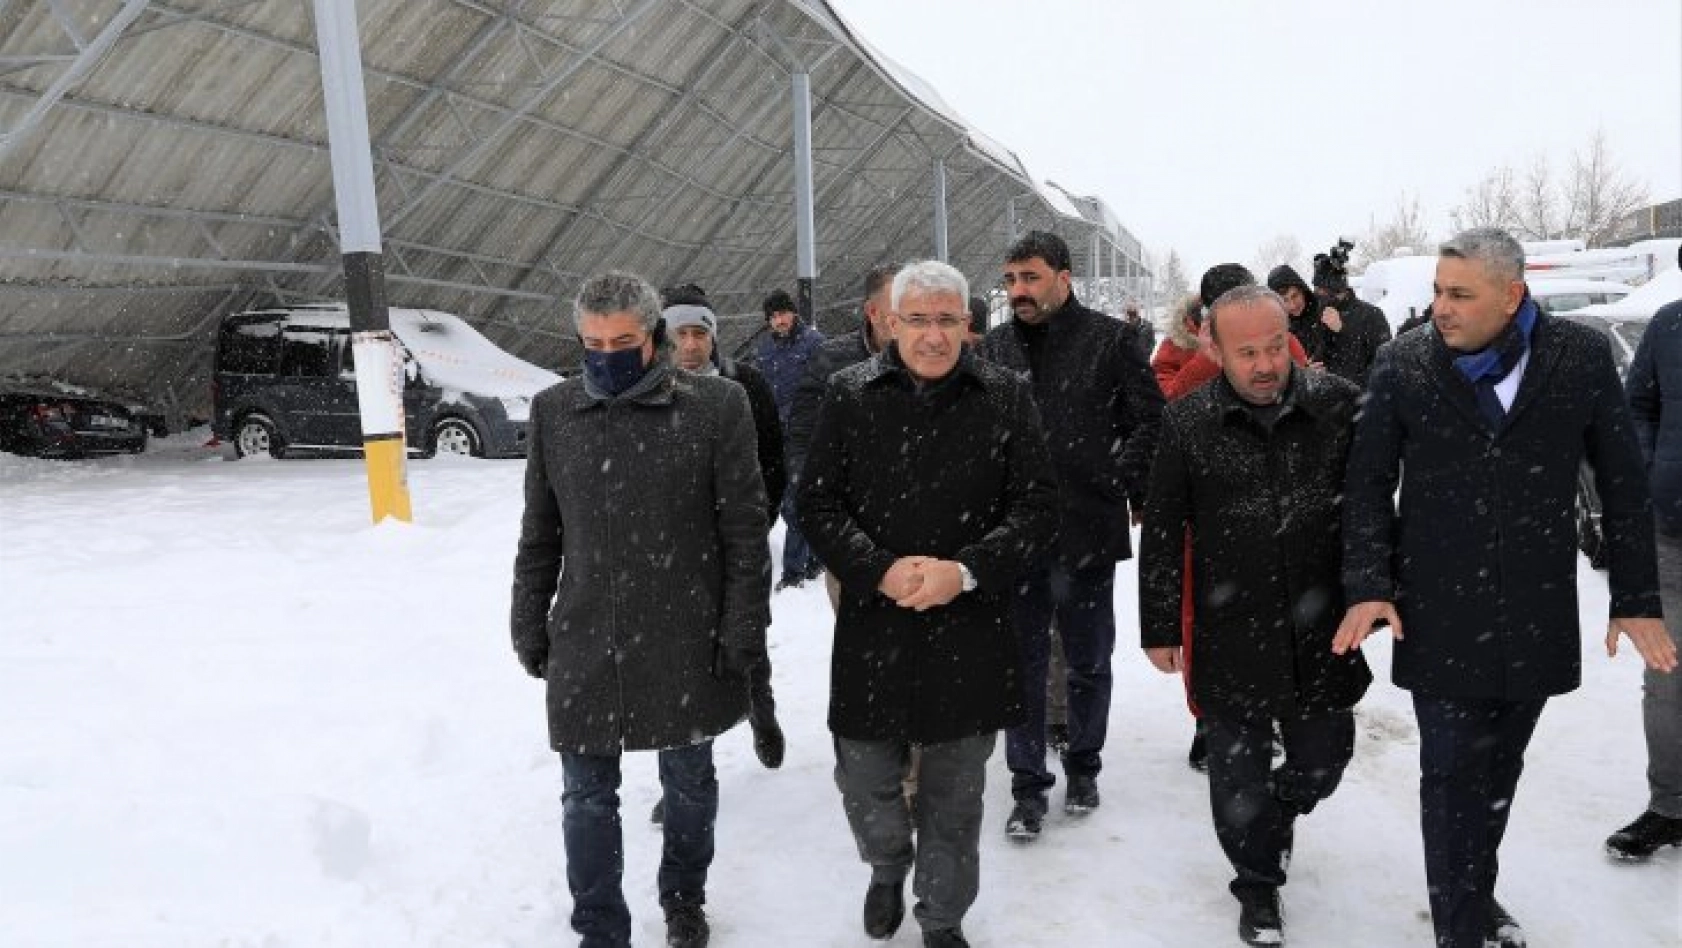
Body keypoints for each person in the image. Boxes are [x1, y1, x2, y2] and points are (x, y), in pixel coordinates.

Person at [1335, 228, 1676, 948]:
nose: (1442, 307)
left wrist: (1637, 598)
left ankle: (1473, 892)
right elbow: (1365, 485)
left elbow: (1620, 483)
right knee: (1451, 777)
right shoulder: (1401, 364)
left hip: (1534, 612)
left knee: (1498, 773)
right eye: (1436, 290)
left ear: (1511, 294)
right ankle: (1459, 928)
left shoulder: (1578, 359)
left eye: (1459, 293)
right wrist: (1368, 581)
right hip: (1438, 613)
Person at [798, 260, 1058, 948]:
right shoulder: (850, 394)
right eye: (918, 320)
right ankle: (886, 864)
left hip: (970, 628)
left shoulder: (1006, 397)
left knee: (954, 794)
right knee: (866, 778)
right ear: (889, 323)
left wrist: (965, 570)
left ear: (969, 326)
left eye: (948, 320)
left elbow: (1036, 509)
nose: (934, 335)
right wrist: (878, 570)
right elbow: (817, 504)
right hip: (874, 628)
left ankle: (942, 916)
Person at [510, 271, 772, 948]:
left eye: (622, 340)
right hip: (587, 636)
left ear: (652, 337)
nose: (606, 353)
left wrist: (742, 626)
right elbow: (541, 533)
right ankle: (599, 928)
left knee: (688, 781)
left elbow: (744, 532)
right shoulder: (555, 412)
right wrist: (527, 616)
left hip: (686, 633)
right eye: (593, 341)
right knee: (586, 795)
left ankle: (684, 900)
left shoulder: (716, 407)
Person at [1140, 284, 1370, 947]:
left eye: (1276, 346)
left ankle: (1284, 808)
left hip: (1320, 626)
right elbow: (1161, 529)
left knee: (1324, 759)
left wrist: (1373, 590)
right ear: (1213, 348)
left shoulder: (1336, 405)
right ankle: (1258, 888)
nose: (1267, 364)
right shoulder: (1187, 422)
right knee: (1235, 781)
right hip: (1229, 626)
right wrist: (1159, 626)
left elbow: (1371, 508)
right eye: (1248, 353)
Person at [978, 230, 1166, 840]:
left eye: (1030, 278)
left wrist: (1118, 478)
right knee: (1021, 665)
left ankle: (1084, 765)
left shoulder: (1110, 341)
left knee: (1087, 660)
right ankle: (1027, 786)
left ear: (1064, 277)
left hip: (1086, 527)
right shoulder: (996, 348)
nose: (1019, 291)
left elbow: (1149, 420)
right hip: (1015, 534)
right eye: (1010, 280)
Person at [663, 283, 787, 771]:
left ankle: (762, 713)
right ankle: (689, 768)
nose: (691, 345)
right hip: (678, 551)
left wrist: (756, 521)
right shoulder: (651, 392)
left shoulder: (747, 385)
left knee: (746, 636)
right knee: (682, 656)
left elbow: (773, 460)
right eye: (680, 334)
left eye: (700, 333)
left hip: (740, 544)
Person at [1606, 287, 1682, 861]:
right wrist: (1653, 469)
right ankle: (1670, 807)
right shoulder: (1669, 324)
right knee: (1666, 676)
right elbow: (1638, 405)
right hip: (1672, 529)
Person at [785, 263, 902, 603]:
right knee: (861, 641)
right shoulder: (833, 362)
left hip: (923, 537)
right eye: (898, 309)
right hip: (853, 538)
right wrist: (828, 516)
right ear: (872, 311)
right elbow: (802, 439)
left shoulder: (932, 360)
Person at [752, 288, 825, 591]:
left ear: (794, 313)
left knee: (797, 501)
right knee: (783, 501)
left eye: (783, 313)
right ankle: (814, 556)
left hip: (805, 434)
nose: (779, 320)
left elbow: (824, 385)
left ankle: (795, 571)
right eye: (773, 316)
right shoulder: (764, 350)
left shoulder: (814, 344)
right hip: (777, 434)